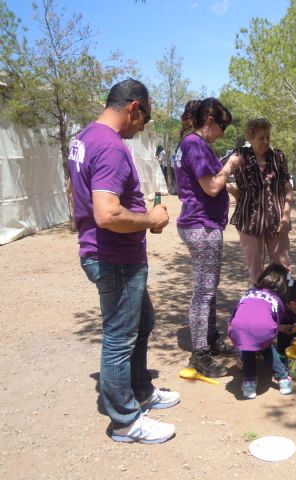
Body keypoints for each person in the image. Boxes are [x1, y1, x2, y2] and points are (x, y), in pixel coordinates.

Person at [67, 79, 179, 444]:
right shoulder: (110, 146)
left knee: (143, 320)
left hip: (111, 254)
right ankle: (126, 421)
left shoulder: (83, 138)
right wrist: (151, 219)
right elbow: (107, 214)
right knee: (119, 338)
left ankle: (141, 391)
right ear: (134, 108)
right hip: (115, 258)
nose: (143, 127)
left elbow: (77, 194)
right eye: (144, 118)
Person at [175, 98, 242, 378]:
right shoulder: (195, 144)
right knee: (203, 290)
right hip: (200, 225)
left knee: (210, 286)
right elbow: (212, 186)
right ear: (211, 121)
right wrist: (230, 165)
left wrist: (235, 190)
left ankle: (211, 339)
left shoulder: (194, 145)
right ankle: (200, 353)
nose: (222, 134)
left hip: (206, 223)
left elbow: (210, 184)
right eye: (222, 127)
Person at [229, 118, 294, 285]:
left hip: (277, 220)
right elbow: (217, 173)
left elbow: (288, 188)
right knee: (256, 270)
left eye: (268, 137)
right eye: (261, 138)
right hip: (248, 221)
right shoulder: (239, 156)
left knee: (283, 267)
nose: (265, 142)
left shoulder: (278, 157)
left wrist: (286, 216)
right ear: (250, 138)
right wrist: (235, 194)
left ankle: (287, 303)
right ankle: (260, 306)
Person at [227, 264, 293, 399]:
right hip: (263, 330)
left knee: (248, 349)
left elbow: (236, 313)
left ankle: (249, 384)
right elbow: (275, 321)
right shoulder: (277, 301)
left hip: (238, 328)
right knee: (267, 348)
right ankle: (284, 380)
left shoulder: (248, 293)